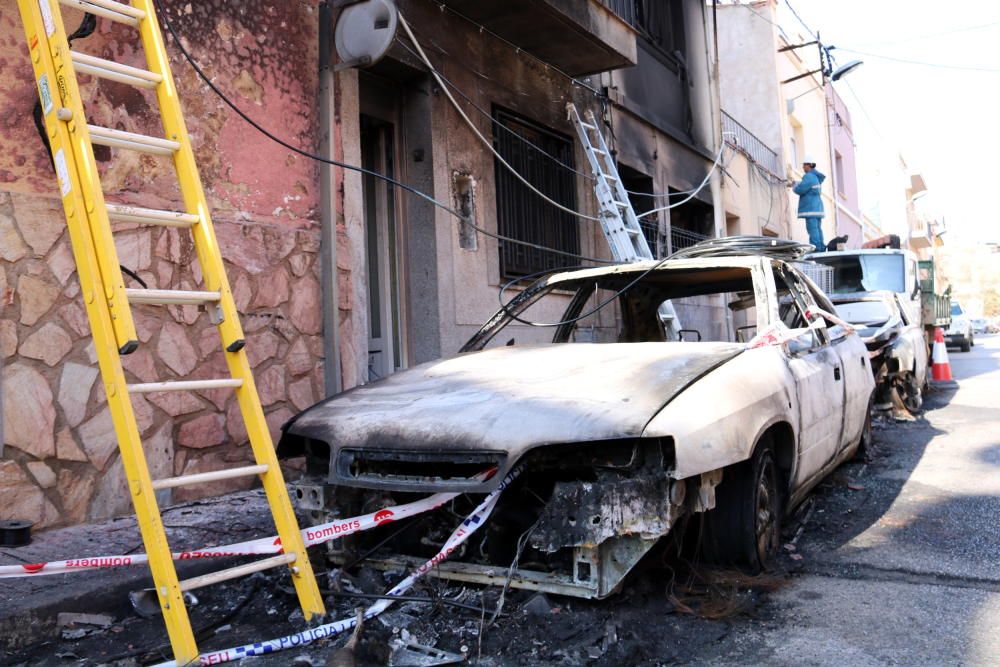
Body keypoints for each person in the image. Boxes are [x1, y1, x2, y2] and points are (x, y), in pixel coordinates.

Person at [792, 155, 826, 251]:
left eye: (804, 165)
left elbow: (800, 189)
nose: (803, 167)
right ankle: (821, 248)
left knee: (812, 230)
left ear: (809, 165)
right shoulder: (815, 177)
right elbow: (806, 185)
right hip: (817, 209)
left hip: (810, 209)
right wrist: (798, 182)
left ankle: (816, 248)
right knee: (818, 229)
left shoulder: (809, 176)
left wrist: (794, 186)